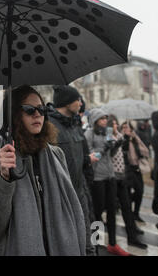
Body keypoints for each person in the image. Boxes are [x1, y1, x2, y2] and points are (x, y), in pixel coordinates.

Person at [0, 85, 86, 256]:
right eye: (29, 110)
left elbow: (75, 207)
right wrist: (4, 177)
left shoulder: (56, 155)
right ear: (13, 114)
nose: (37, 114)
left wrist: (88, 248)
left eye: (41, 109)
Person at [47, 85, 97, 255]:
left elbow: (82, 156)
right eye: (78, 100)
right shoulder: (48, 126)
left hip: (80, 190)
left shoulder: (75, 124)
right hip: (60, 196)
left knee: (88, 242)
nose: (81, 103)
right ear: (67, 103)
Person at [85, 108, 130, 256]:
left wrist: (117, 145)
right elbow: (90, 157)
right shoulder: (89, 134)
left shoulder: (109, 132)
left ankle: (112, 243)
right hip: (97, 178)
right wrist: (104, 149)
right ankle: (96, 245)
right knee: (97, 213)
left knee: (112, 210)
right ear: (95, 120)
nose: (105, 121)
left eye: (106, 118)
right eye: (102, 118)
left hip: (110, 176)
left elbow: (111, 154)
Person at [108, 116, 147, 249]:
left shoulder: (121, 136)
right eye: (111, 123)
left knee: (127, 207)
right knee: (110, 211)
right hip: (110, 177)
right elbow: (109, 154)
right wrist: (120, 142)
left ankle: (132, 237)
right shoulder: (106, 136)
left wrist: (132, 138)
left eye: (115, 123)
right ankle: (110, 243)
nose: (114, 126)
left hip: (123, 176)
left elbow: (143, 151)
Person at [120, 121, 150, 224]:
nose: (126, 129)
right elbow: (123, 151)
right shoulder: (121, 139)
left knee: (140, 191)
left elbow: (145, 151)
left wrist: (135, 138)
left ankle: (136, 213)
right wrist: (126, 138)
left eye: (127, 127)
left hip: (137, 168)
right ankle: (128, 212)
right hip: (127, 169)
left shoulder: (135, 138)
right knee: (127, 194)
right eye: (123, 127)